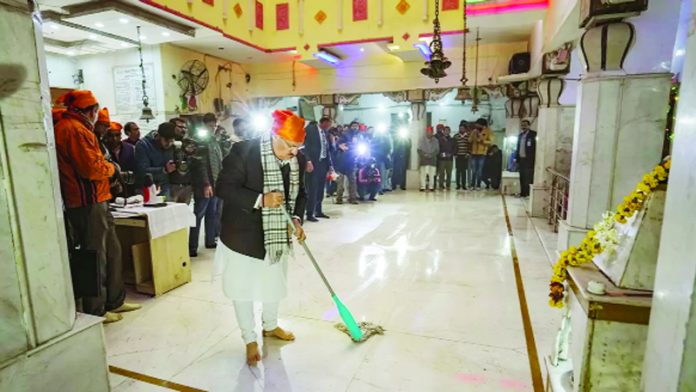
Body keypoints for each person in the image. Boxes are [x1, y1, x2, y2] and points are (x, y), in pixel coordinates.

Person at [215, 109, 307, 366]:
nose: (294, 153)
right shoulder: (244, 152)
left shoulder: (296, 160)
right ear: (274, 134)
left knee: (273, 285)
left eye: (299, 147)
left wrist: (296, 220)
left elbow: (301, 195)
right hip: (241, 236)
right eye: (290, 146)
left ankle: (270, 326)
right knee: (241, 289)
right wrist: (259, 200)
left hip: (276, 237)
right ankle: (249, 338)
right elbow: (224, 187)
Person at [54, 90, 140, 324]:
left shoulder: (81, 128)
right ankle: (96, 311)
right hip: (86, 202)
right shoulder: (73, 129)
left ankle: (115, 300)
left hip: (99, 199)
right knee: (96, 256)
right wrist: (112, 169)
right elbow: (91, 169)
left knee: (113, 250)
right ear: (91, 111)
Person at [189, 113, 224, 257]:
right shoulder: (198, 141)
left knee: (212, 214)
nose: (212, 129)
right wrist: (206, 184)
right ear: (204, 125)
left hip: (215, 183)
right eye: (210, 126)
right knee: (198, 215)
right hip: (204, 184)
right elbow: (200, 164)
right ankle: (192, 247)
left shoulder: (214, 141)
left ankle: (210, 240)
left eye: (214, 126)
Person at [135, 122, 176, 199]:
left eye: (172, 140)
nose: (169, 144)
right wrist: (164, 170)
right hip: (146, 188)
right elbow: (142, 170)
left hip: (164, 187)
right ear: (158, 136)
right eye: (166, 140)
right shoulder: (143, 145)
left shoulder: (172, 146)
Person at [304, 117, 333, 221]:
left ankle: (318, 210)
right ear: (323, 122)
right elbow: (304, 146)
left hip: (322, 164)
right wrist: (308, 160)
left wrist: (330, 165)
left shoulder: (325, 133)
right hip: (313, 164)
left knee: (321, 189)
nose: (329, 126)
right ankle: (310, 213)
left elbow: (327, 149)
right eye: (328, 124)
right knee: (312, 189)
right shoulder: (310, 129)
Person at [103, 121, 137, 198]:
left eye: (117, 135)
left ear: (121, 136)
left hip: (129, 191)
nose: (114, 138)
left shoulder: (130, 149)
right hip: (109, 192)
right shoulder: (102, 151)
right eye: (110, 135)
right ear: (106, 136)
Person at [169, 117, 194, 204]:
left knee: (184, 214)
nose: (183, 130)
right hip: (172, 185)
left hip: (187, 185)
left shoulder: (189, 143)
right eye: (180, 127)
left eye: (184, 127)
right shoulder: (167, 143)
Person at [334, 121, 360, 204]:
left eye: (357, 126)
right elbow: (339, 144)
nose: (355, 127)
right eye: (353, 126)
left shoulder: (359, 135)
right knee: (340, 182)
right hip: (342, 161)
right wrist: (347, 145)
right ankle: (339, 199)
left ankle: (353, 198)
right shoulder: (345, 134)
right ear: (350, 126)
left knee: (352, 181)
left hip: (351, 162)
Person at [515, 119, 537, 197]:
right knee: (522, 177)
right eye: (522, 125)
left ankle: (528, 193)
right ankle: (523, 193)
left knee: (529, 177)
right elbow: (517, 148)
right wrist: (516, 159)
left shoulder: (533, 135)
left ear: (529, 126)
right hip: (521, 160)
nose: (523, 127)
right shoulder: (520, 136)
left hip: (529, 160)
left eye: (525, 125)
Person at [469, 118, 492, 190]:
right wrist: (473, 136)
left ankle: (478, 185)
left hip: (482, 154)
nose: (476, 125)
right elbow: (469, 140)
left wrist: (482, 140)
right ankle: (472, 185)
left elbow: (490, 142)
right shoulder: (474, 131)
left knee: (479, 170)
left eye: (478, 124)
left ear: (482, 124)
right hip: (474, 153)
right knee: (474, 170)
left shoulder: (488, 131)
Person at [418, 126, 439, 192]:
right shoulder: (421, 140)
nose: (429, 133)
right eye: (428, 132)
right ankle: (423, 187)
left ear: (432, 133)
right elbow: (419, 150)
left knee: (432, 174)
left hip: (432, 159)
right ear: (426, 132)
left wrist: (431, 155)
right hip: (424, 159)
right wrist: (424, 154)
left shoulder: (436, 140)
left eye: (430, 132)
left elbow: (437, 150)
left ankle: (431, 187)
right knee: (423, 174)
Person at [453, 121, 472, 190]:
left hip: (465, 156)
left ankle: (464, 185)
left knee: (464, 171)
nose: (461, 129)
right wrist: (454, 154)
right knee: (458, 171)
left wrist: (468, 153)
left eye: (462, 128)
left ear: (465, 129)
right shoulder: (456, 136)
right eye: (460, 128)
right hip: (458, 156)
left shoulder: (468, 136)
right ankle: (458, 185)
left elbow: (470, 146)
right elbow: (454, 145)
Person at [436, 126, 455, 190]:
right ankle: (441, 185)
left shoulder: (452, 139)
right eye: (445, 130)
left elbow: (455, 149)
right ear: (443, 131)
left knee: (449, 173)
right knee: (441, 173)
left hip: (450, 159)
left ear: (450, 131)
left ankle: (448, 185)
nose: (446, 131)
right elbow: (437, 149)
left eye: (448, 130)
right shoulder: (439, 139)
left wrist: (451, 154)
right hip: (442, 159)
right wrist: (440, 154)